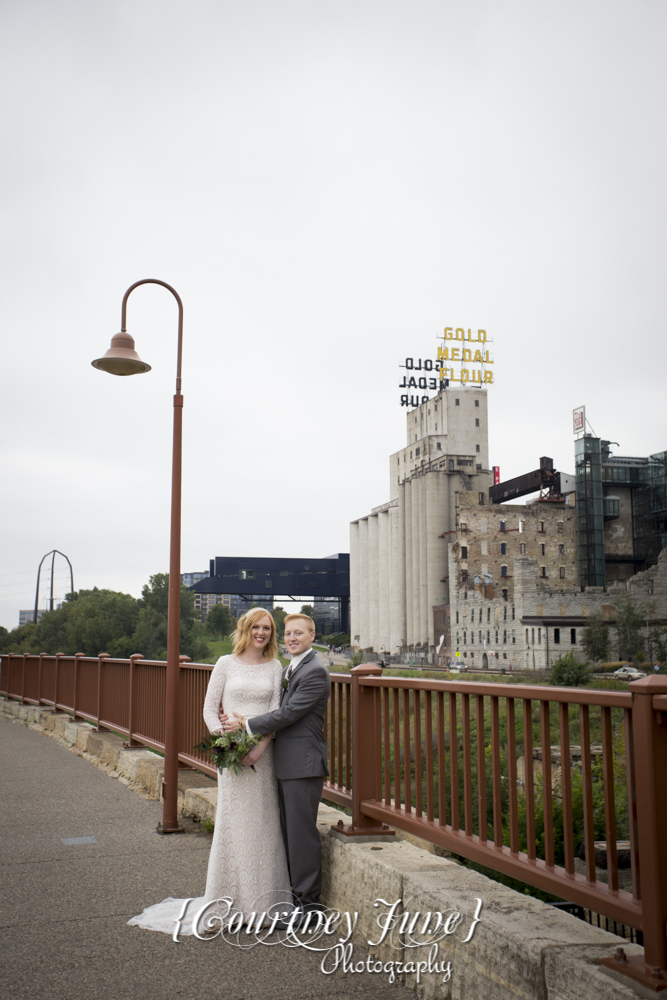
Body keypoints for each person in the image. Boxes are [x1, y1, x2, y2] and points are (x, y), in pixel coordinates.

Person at [127, 608, 291, 935]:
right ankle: (227, 901)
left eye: (268, 629)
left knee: (263, 822)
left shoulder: (275, 667)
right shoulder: (224, 664)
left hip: (263, 754)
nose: (262, 633)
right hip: (232, 759)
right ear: (246, 629)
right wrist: (227, 744)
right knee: (234, 823)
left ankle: (264, 905)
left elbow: (276, 712)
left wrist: (258, 747)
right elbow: (208, 709)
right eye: (257, 627)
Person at [220, 612, 330, 917]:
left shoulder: (315, 671)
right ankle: (295, 900)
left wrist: (246, 724)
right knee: (289, 834)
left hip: (303, 764)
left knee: (301, 837)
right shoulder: (294, 668)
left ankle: (309, 909)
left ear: (312, 635)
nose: (293, 639)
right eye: (289, 634)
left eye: (299, 633)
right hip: (289, 763)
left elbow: (288, 713)